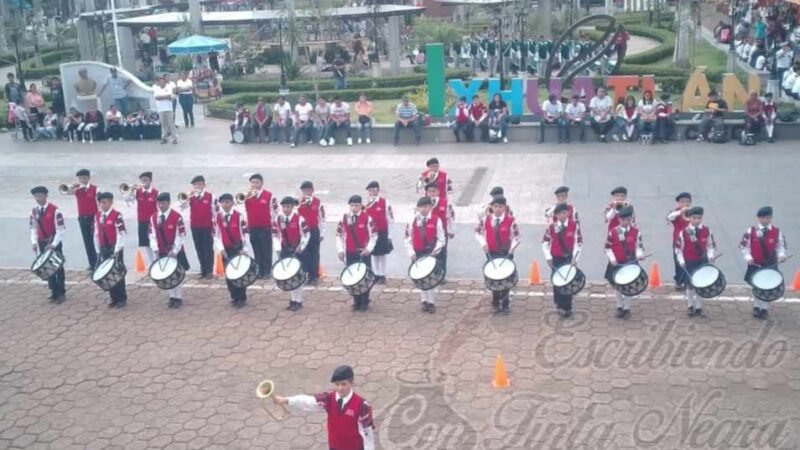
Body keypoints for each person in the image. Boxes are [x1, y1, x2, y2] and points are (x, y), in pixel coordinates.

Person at [274, 365, 375, 450]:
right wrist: (286, 400)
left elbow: (368, 432)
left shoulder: (362, 405)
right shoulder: (329, 399)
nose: (340, 388)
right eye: (337, 384)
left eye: (344, 384)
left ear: (352, 383)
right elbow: (309, 401)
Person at [740, 206, 788, 319]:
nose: (765, 220)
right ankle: (756, 306)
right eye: (763, 218)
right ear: (758, 218)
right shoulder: (751, 231)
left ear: (771, 218)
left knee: (768, 287)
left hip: (770, 264)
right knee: (756, 286)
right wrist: (748, 257)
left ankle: (764, 309)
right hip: (756, 264)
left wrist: (781, 255)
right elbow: (744, 246)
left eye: (768, 218)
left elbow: (780, 246)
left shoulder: (777, 232)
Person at [476, 196, 520, 315]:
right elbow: (477, 232)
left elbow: (517, 237)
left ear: (504, 208)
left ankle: (505, 305)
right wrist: (483, 243)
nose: (498, 209)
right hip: (492, 252)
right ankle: (495, 301)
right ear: (492, 207)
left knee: (505, 278)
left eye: (500, 207)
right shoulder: (486, 219)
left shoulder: (510, 220)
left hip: (505, 253)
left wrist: (512, 249)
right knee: (494, 277)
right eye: (495, 206)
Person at [336, 195, 377, 312]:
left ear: (361, 205)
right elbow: (338, 235)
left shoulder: (367, 218)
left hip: (363, 253)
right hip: (350, 251)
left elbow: (374, 235)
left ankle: (364, 301)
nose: (354, 208)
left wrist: (368, 249)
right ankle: (356, 300)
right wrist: (340, 250)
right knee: (353, 277)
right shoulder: (344, 218)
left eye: (356, 205)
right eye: (352, 205)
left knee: (364, 277)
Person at [149, 193, 189, 308]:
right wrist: (155, 249)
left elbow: (181, 235)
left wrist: (175, 250)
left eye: (163, 203)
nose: (161, 206)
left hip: (175, 250)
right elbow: (151, 235)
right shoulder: (153, 217)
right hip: (161, 250)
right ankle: (172, 296)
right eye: (159, 203)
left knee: (176, 274)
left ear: (169, 203)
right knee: (166, 274)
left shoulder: (177, 217)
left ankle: (178, 297)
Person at [406, 196, 446, 313]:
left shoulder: (436, 220)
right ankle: (424, 300)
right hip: (418, 252)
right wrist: (411, 252)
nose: (424, 209)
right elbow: (408, 238)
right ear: (417, 208)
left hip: (431, 252)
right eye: (421, 207)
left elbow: (441, 238)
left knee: (430, 278)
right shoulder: (412, 220)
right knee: (420, 277)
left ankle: (431, 302)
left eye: (426, 206)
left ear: (430, 207)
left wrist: (436, 251)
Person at [675, 207, 716, 317]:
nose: (697, 220)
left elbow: (710, 245)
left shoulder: (707, 230)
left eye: (699, 218)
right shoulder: (684, 232)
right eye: (694, 218)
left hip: (702, 261)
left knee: (700, 284)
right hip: (690, 262)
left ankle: (698, 307)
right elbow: (678, 249)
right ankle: (690, 305)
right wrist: (681, 260)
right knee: (690, 285)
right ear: (689, 218)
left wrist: (711, 256)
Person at [542, 203, 582, 317]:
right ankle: (559, 304)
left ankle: (568, 306)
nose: (562, 215)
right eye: (559, 214)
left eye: (564, 213)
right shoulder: (551, 227)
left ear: (568, 213)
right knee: (557, 281)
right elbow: (545, 243)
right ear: (556, 215)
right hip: (556, 258)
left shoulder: (574, 226)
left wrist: (575, 258)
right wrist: (548, 258)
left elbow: (578, 243)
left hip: (568, 258)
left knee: (568, 281)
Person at [214, 193, 254, 308]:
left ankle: (241, 297)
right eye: (223, 202)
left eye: (227, 202)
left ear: (232, 203)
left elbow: (245, 234)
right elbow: (216, 235)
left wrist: (245, 249)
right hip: (226, 250)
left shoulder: (239, 216)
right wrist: (221, 249)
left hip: (238, 249)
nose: (225, 204)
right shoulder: (218, 217)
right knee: (229, 274)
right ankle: (234, 296)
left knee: (240, 274)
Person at [604, 206, 644, 319]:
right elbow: (607, 248)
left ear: (631, 219)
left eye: (628, 219)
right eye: (623, 220)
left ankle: (626, 308)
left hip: (630, 263)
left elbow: (639, 246)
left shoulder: (636, 232)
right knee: (617, 286)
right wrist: (612, 258)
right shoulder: (613, 232)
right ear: (619, 219)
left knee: (628, 286)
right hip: (617, 263)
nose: (626, 222)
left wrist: (639, 255)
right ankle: (619, 306)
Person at [272, 196, 310, 311]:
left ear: (293, 207)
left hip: (297, 250)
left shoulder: (300, 219)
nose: (286, 209)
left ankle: (299, 300)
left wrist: (301, 247)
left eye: (288, 207)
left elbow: (306, 235)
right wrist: (278, 248)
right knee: (289, 275)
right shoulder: (278, 219)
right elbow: (275, 235)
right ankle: (293, 299)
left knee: (298, 276)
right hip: (285, 250)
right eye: (284, 207)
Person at [29, 186, 66, 303]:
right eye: (36, 196)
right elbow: (33, 228)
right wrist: (34, 242)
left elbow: (60, 229)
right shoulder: (34, 211)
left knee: (58, 267)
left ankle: (61, 292)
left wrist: (54, 244)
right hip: (42, 243)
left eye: (40, 196)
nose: (37, 198)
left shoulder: (55, 210)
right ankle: (54, 291)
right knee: (47, 268)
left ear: (46, 196)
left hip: (54, 242)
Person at [93, 192, 128, 308]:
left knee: (118, 273)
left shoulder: (117, 216)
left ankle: (121, 298)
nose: (103, 205)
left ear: (111, 202)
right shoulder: (98, 216)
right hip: (104, 248)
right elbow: (96, 234)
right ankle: (113, 297)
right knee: (107, 274)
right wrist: (98, 250)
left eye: (105, 202)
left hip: (115, 248)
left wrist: (117, 250)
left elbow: (121, 234)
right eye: (100, 203)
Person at [180, 176, 216, 279]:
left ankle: (209, 271)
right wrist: (187, 197)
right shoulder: (191, 197)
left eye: (199, 184)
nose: (197, 186)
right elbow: (182, 207)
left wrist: (215, 227)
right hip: (195, 226)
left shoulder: (210, 196)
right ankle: (203, 270)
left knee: (208, 249)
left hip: (207, 226)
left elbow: (215, 212)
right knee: (199, 248)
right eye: (195, 185)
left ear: (204, 185)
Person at [244, 173, 278, 280]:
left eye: (257, 182)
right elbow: (238, 205)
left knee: (266, 250)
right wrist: (246, 196)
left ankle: (267, 271)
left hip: (265, 228)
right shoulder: (247, 196)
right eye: (252, 182)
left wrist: (274, 227)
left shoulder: (269, 195)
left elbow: (275, 212)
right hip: (252, 228)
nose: (254, 184)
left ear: (262, 183)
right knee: (256, 250)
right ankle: (259, 271)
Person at [122, 171, 158, 268]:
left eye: (146, 180)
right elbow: (126, 199)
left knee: (155, 242)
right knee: (145, 243)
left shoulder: (156, 193)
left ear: (150, 180)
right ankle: (151, 263)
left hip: (153, 222)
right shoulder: (137, 192)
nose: (144, 182)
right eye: (142, 180)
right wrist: (131, 190)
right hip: (142, 221)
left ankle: (157, 261)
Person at [365, 181, 394, 285]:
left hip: (382, 231)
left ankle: (382, 274)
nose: (372, 192)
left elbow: (390, 219)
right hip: (371, 233)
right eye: (370, 190)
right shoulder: (366, 203)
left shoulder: (384, 202)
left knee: (382, 255)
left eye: (374, 190)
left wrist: (390, 235)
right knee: (374, 254)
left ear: (378, 190)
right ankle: (376, 274)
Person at [298, 181, 326, 285]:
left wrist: (322, 233)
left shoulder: (318, 202)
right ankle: (306, 274)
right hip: (302, 232)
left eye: (308, 190)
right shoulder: (299, 202)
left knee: (314, 254)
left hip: (314, 230)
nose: (306, 192)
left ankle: (314, 276)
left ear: (312, 190)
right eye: (304, 190)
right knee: (304, 254)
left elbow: (322, 218)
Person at [425, 182, 455, 281]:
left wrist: (451, 230)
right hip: (428, 233)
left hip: (442, 232)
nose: (431, 193)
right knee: (429, 253)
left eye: (434, 191)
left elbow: (450, 217)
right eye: (429, 191)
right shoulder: (423, 203)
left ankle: (441, 275)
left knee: (442, 254)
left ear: (438, 192)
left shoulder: (445, 202)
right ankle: (430, 273)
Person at [666, 192, 692, 291]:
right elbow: (669, 217)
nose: (685, 204)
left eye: (687, 201)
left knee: (689, 260)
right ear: (678, 203)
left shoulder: (692, 212)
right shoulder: (675, 212)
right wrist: (681, 211)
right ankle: (679, 281)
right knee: (678, 262)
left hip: (690, 240)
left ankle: (688, 280)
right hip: (678, 240)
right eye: (682, 202)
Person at [153, 76, 177, 144]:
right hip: (161, 109)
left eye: (162, 82)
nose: (161, 83)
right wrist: (166, 97)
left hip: (169, 109)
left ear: (164, 82)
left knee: (171, 124)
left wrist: (162, 97)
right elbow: (156, 97)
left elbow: (170, 96)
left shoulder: (169, 87)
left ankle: (174, 138)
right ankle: (164, 138)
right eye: (160, 82)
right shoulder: (157, 89)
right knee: (163, 124)